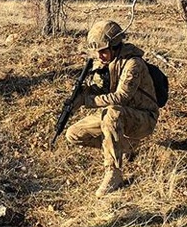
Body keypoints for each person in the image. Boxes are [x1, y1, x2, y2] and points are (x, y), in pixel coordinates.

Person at [65, 20, 159, 197]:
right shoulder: (103, 63)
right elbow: (101, 90)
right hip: (119, 116)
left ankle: (114, 173)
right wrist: (82, 92)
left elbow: (121, 97)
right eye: (96, 52)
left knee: (112, 113)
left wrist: (88, 100)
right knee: (74, 133)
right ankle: (124, 146)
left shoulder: (133, 64)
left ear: (115, 46)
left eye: (103, 51)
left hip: (144, 118)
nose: (99, 56)